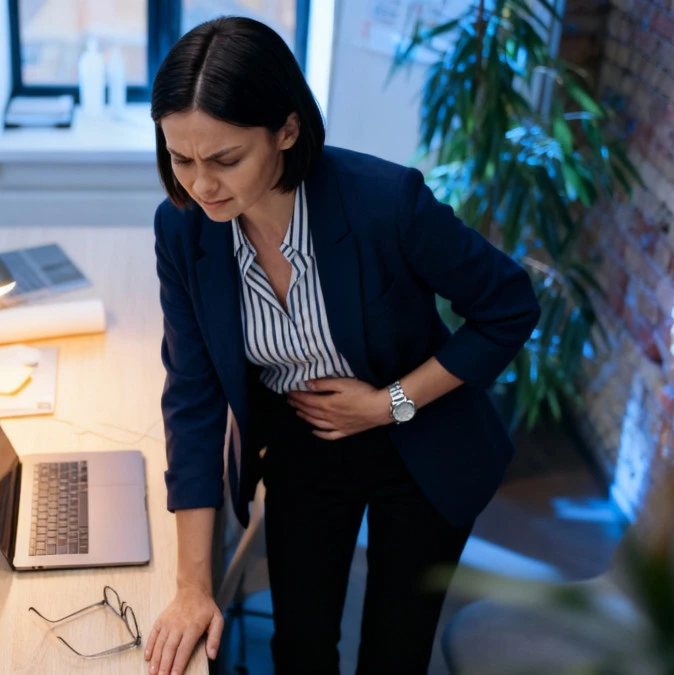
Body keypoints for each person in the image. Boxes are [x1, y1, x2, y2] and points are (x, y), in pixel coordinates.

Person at [142, 16, 542, 675]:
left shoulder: (386, 203)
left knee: (394, 652)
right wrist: (193, 586)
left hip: (420, 438)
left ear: (287, 129)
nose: (201, 185)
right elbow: (192, 397)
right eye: (180, 159)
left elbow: (509, 305)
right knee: (299, 647)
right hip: (306, 438)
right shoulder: (184, 230)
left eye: (225, 159)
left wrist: (389, 404)